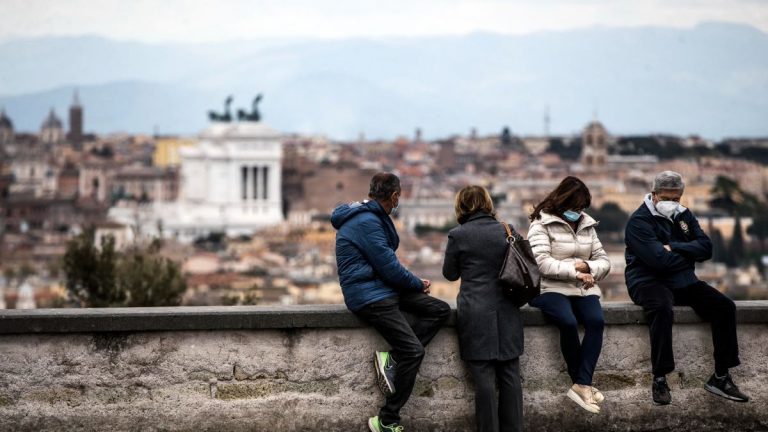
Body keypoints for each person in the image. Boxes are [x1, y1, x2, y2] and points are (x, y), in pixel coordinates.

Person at [332, 172, 451, 432]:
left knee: (439, 310)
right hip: (369, 296)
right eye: (400, 195)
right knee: (414, 351)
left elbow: (387, 267)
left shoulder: (368, 217)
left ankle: (393, 359)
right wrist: (417, 284)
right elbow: (389, 268)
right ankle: (387, 419)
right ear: (395, 196)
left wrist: (412, 283)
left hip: (381, 288)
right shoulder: (367, 222)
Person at [625, 171, 749, 405]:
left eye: (676, 198)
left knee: (724, 307)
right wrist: (688, 253)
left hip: (682, 280)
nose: (672, 203)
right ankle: (660, 377)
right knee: (661, 308)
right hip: (647, 281)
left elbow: (707, 248)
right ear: (654, 195)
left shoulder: (684, 216)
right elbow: (658, 262)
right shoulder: (638, 222)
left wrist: (672, 246)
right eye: (666, 198)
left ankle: (721, 376)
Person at [442, 185, 524, 432]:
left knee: (484, 380)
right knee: (510, 374)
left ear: (461, 206)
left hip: (475, 311)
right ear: (488, 204)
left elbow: (449, 273)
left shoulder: (458, 235)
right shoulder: (508, 231)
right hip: (507, 308)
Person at [527, 176, 611, 414]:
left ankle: (581, 384)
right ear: (562, 203)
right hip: (549, 288)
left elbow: (603, 261)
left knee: (596, 321)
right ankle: (582, 383)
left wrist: (588, 268)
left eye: (582, 208)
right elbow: (542, 263)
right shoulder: (540, 225)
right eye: (575, 208)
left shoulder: (587, 225)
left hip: (583, 288)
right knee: (567, 321)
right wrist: (577, 272)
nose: (579, 212)